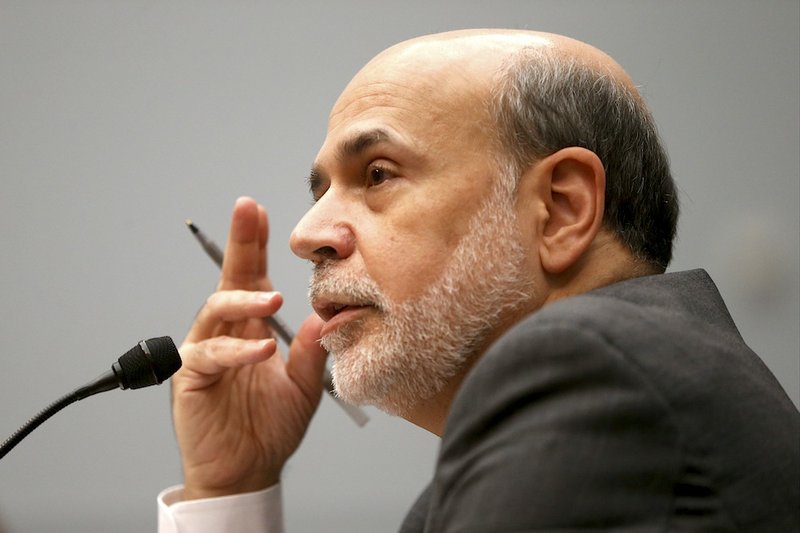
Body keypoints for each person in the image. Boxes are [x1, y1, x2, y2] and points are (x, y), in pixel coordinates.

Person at [157, 29, 800, 532]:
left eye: (377, 174)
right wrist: (228, 494)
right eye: (321, 190)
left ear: (562, 210)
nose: (306, 233)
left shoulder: (598, 373)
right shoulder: (460, 489)